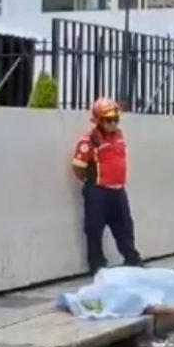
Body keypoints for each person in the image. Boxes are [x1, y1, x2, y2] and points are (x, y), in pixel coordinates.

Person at [71, 97, 143, 275]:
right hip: (98, 192)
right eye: (109, 120)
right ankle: (97, 266)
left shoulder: (119, 135)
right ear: (98, 120)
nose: (113, 123)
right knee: (94, 229)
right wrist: (94, 182)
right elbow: (78, 167)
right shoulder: (89, 141)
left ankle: (132, 259)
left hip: (118, 190)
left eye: (115, 119)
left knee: (125, 226)